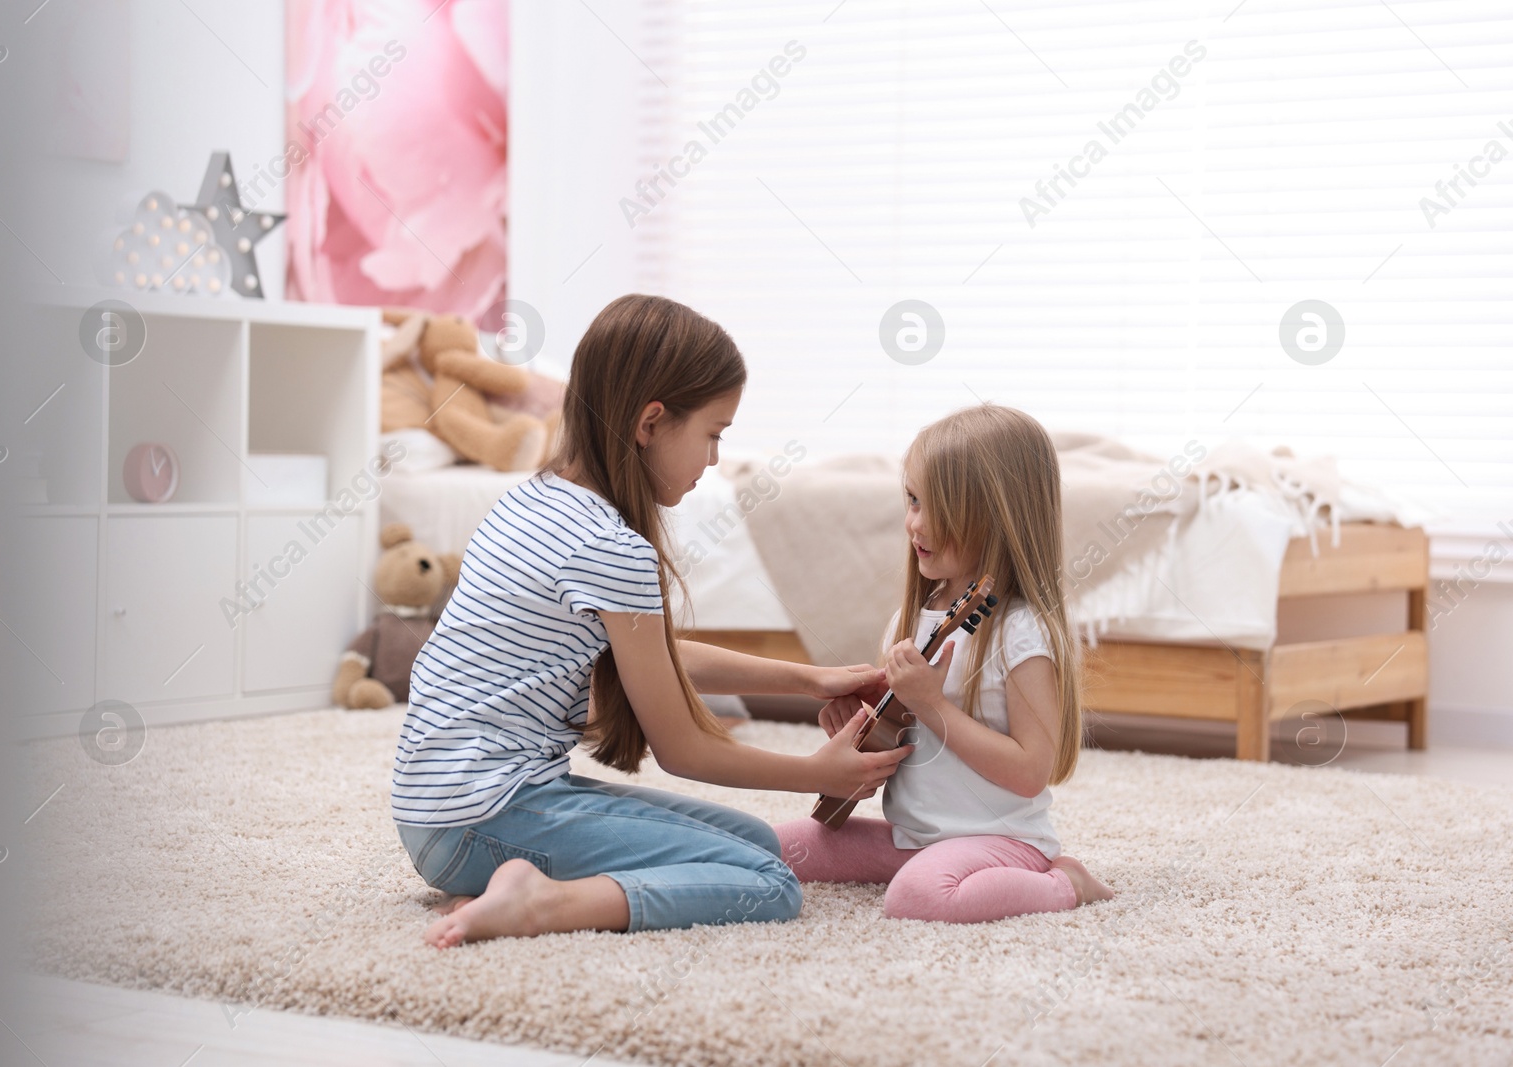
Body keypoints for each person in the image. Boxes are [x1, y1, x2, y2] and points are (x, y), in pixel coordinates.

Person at [395, 293, 911, 948]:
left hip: (437, 810)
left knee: (750, 838)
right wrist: (818, 772)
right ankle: (539, 903)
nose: (716, 458)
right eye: (713, 434)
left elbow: (654, 657)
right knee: (768, 878)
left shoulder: (531, 499)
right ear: (650, 423)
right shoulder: (613, 549)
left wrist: (811, 680)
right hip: (484, 814)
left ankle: (507, 878)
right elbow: (683, 748)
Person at [775, 404, 1113, 923]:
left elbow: (1030, 772)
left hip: (999, 840)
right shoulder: (909, 619)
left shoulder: (1020, 632)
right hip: (913, 838)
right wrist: (862, 721)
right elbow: (902, 733)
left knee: (917, 899)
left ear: (1001, 516)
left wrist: (932, 705)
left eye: (940, 508)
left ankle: (1066, 882)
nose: (917, 523)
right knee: (775, 847)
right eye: (913, 500)